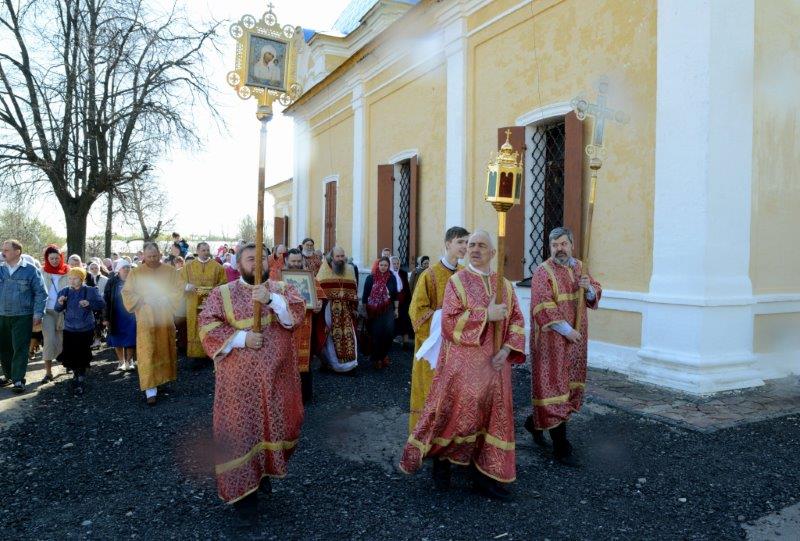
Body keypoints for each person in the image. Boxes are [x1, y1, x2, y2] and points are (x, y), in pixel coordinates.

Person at [399, 230, 526, 500]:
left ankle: (484, 475)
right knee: (455, 417)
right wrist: (486, 315)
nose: (474, 249)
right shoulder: (457, 282)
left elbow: (517, 319)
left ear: (493, 252)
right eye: (471, 245)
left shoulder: (504, 285)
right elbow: (449, 323)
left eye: (481, 245)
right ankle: (442, 463)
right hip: (462, 368)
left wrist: (506, 349)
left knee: (491, 420)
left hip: (495, 368)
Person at [198, 243, 305, 524]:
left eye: (262, 258)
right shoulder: (222, 293)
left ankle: (263, 472)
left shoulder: (282, 289)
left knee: (279, 427)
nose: (257, 263)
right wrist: (242, 338)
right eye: (250, 259)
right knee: (241, 434)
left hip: (276, 382)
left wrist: (270, 299)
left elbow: (296, 316)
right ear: (238, 264)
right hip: (238, 387)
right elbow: (207, 325)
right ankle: (243, 496)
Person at [526, 226, 602, 466]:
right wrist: (567, 331)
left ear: (571, 245)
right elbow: (542, 305)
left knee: (568, 387)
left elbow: (595, 293)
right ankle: (562, 448)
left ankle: (534, 423)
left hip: (576, 342)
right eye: (555, 245)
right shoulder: (542, 272)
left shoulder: (581, 267)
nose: (560, 249)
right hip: (552, 342)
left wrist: (588, 288)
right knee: (553, 388)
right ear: (549, 247)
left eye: (563, 244)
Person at [407, 226, 469, 432]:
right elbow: (417, 312)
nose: (465, 247)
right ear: (448, 244)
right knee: (432, 391)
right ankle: (426, 437)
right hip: (434, 346)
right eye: (460, 242)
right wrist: (447, 317)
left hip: (458, 345)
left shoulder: (465, 274)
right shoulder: (430, 275)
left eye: (467, 242)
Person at [122, 242, 183, 405]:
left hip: (164, 315)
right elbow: (127, 292)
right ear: (143, 255)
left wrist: (167, 298)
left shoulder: (170, 271)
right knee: (147, 350)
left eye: (155, 256)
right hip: (146, 317)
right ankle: (150, 388)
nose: (152, 259)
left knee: (164, 347)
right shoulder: (136, 272)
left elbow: (179, 288)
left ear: (160, 254)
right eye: (149, 256)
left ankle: (162, 379)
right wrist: (142, 299)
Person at [0, 240, 47, 393]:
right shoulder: (0, 269)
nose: (3, 253)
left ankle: (18, 379)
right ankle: (8, 376)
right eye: (2, 250)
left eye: (6, 250)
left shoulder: (31, 270)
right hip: (2, 315)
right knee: (4, 348)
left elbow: (41, 293)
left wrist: (38, 313)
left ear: (17, 252)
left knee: (20, 348)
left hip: (23, 315)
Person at [54, 267, 105, 396]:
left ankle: (80, 377)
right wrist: (60, 303)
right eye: (70, 278)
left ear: (81, 279)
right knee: (71, 353)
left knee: (82, 353)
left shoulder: (90, 290)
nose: (71, 281)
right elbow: (57, 309)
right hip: (69, 328)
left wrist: (89, 303)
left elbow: (101, 304)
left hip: (85, 328)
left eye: (75, 278)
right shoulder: (64, 291)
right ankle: (76, 373)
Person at [283, 248, 325, 403]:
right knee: (283, 359)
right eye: (293, 261)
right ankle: (285, 396)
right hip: (285, 326)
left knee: (305, 360)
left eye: (298, 261)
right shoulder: (279, 278)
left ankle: (304, 396)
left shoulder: (309, 277)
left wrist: (319, 305)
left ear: (302, 261)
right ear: (287, 261)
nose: (295, 264)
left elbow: (319, 297)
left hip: (306, 325)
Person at [179, 241, 226, 366]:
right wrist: (187, 286)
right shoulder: (188, 267)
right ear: (198, 251)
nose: (206, 252)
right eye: (203, 250)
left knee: (211, 325)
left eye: (207, 250)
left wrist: (215, 289)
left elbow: (224, 283)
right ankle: (196, 356)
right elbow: (179, 281)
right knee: (194, 326)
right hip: (193, 303)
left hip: (211, 303)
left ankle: (210, 353)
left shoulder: (218, 267)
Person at [316, 247, 359, 374]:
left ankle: (350, 365)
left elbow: (354, 290)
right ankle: (333, 364)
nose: (340, 259)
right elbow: (318, 289)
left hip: (346, 309)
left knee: (349, 335)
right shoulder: (324, 270)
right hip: (329, 308)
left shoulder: (350, 270)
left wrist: (354, 307)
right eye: (338, 256)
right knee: (330, 337)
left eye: (342, 256)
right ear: (332, 258)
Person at [40, 245, 71, 383]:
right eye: (51, 258)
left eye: (56, 258)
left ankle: (67, 362)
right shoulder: (42, 271)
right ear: (47, 259)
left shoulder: (68, 271)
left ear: (61, 258)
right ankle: (48, 372)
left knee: (63, 340)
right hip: (47, 311)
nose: (54, 261)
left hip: (63, 311)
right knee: (49, 340)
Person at [362, 257, 398, 369]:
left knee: (388, 333)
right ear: (378, 265)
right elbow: (365, 296)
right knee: (376, 334)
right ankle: (376, 358)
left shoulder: (391, 278)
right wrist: (364, 311)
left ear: (388, 266)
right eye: (381, 265)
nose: (383, 267)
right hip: (374, 310)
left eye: (385, 265)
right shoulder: (370, 278)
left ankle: (383, 355)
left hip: (388, 309)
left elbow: (395, 295)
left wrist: (396, 309)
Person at [104, 260, 137, 371]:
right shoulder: (112, 282)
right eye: (124, 267)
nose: (127, 269)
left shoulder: (135, 280)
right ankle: (121, 361)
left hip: (131, 315)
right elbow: (106, 300)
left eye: (128, 267)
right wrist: (105, 317)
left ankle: (129, 361)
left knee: (131, 338)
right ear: (119, 269)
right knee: (117, 339)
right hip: (115, 315)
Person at [389, 256, 412, 348]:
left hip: (403, 303)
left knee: (405, 321)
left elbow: (406, 287)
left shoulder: (403, 273)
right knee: (392, 323)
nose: (396, 265)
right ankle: (389, 342)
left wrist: (409, 301)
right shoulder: (388, 274)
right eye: (394, 263)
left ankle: (405, 342)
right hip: (391, 303)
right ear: (390, 264)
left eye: (397, 263)